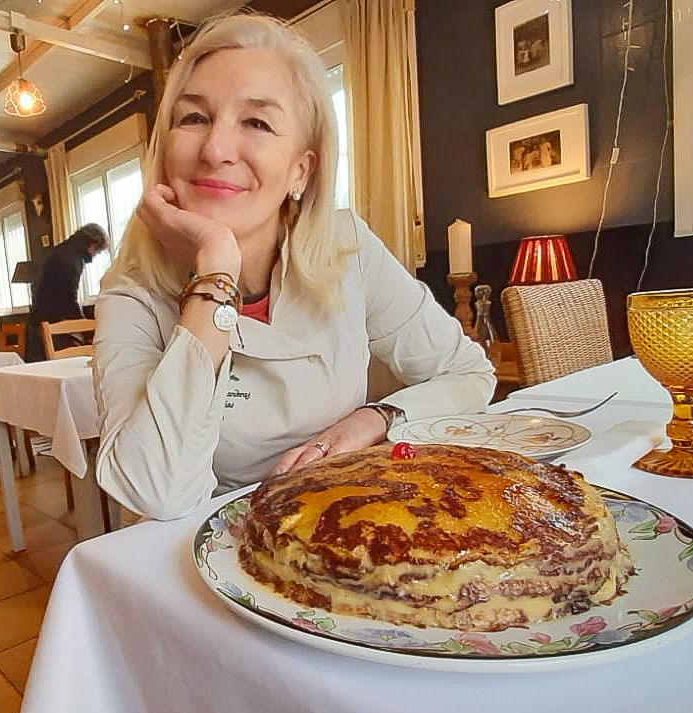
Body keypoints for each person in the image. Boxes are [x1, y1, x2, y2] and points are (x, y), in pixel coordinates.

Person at [93, 14, 496, 520]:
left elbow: (468, 373)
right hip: (209, 545)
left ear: (301, 169)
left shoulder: (347, 246)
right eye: (193, 118)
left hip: (347, 521)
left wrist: (377, 418)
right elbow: (154, 492)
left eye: (256, 123)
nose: (216, 150)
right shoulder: (131, 292)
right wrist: (215, 269)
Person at [27, 223, 108, 361]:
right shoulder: (72, 260)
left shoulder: (60, 251)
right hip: (52, 327)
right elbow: (69, 300)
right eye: (97, 251)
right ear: (92, 245)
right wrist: (86, 330)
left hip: (36, 323)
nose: (94, 256)